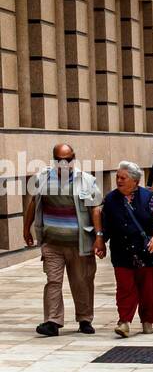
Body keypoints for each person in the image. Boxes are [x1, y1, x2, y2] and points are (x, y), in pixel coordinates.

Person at [22, 144, 105, 337]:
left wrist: (99, 238)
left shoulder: (86, 180)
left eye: (67, 160)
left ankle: (85, 319)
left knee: (82, 281)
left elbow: (95, 209)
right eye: (59, 160)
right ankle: (52, 321)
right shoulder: (42, 178)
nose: (63, 164)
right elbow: (33, 204)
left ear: (73, 159)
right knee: (53, 281)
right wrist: (26, 229)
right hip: (52, 242)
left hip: (79, 242)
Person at [100, 161, 153, 337]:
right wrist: (100, 241)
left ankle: (147, 321)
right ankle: (124, 322)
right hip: (122, 251)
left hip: (147, 251)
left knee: (150, 290)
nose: (119, 181)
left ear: (135, 181)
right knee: (124, 288)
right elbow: (105, 224)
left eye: (123, 178)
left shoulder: (147, 197)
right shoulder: (110, 199)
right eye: (117, 177)